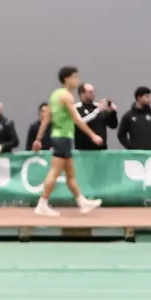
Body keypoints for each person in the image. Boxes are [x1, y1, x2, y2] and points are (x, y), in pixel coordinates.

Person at [31, 65, 105, 217]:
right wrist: (92, 135)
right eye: (75, 77)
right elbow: (76, 118)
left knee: (70, 173)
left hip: (60, 138)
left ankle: (82, 201)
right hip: (63, 137)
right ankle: (42, 204)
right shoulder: (66, 96)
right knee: (55, 171)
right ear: (67, 78)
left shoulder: (54, 95)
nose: (77, 80)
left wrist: (38, 138)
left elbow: (47, 118)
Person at [75, 83, 117, 151]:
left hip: (101, 149)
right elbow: (80, 123)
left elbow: (113, 125)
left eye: (94, 91)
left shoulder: (98, 106)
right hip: (83, 150)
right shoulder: (76, 108)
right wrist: (97, 111)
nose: (93, 93)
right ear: (82, 93)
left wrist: (112, 112)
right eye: (90, 92)